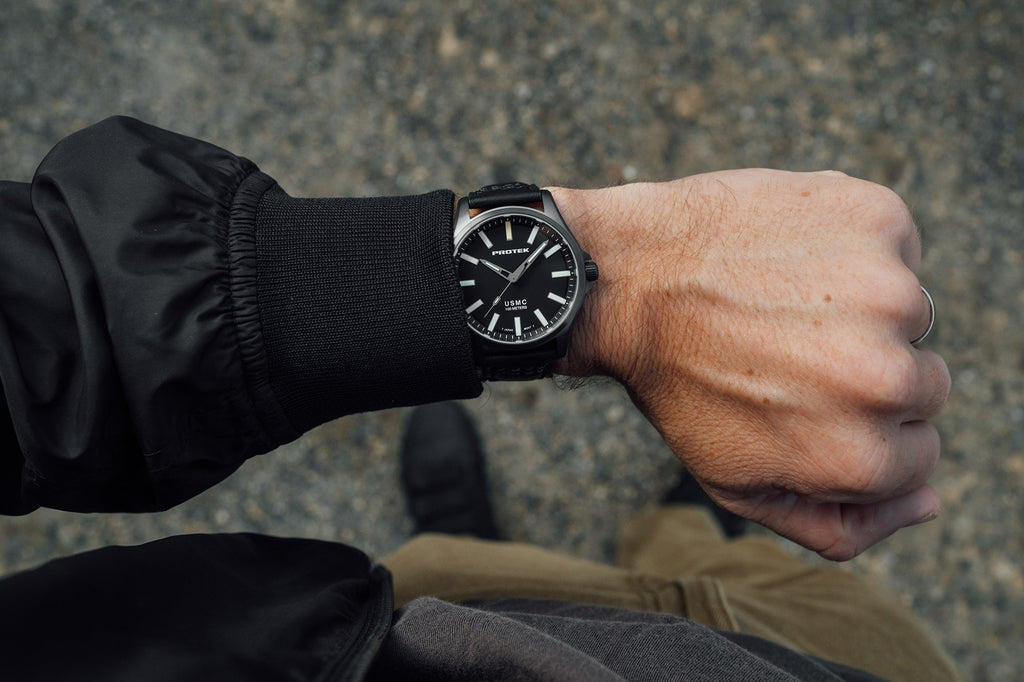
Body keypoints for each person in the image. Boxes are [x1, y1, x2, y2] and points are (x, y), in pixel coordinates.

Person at [0, 116, 958, 680]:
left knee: (449, 570)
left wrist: (623, 288)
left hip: (379, 641)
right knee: (787, 590)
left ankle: (538, 539)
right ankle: (686, 529)